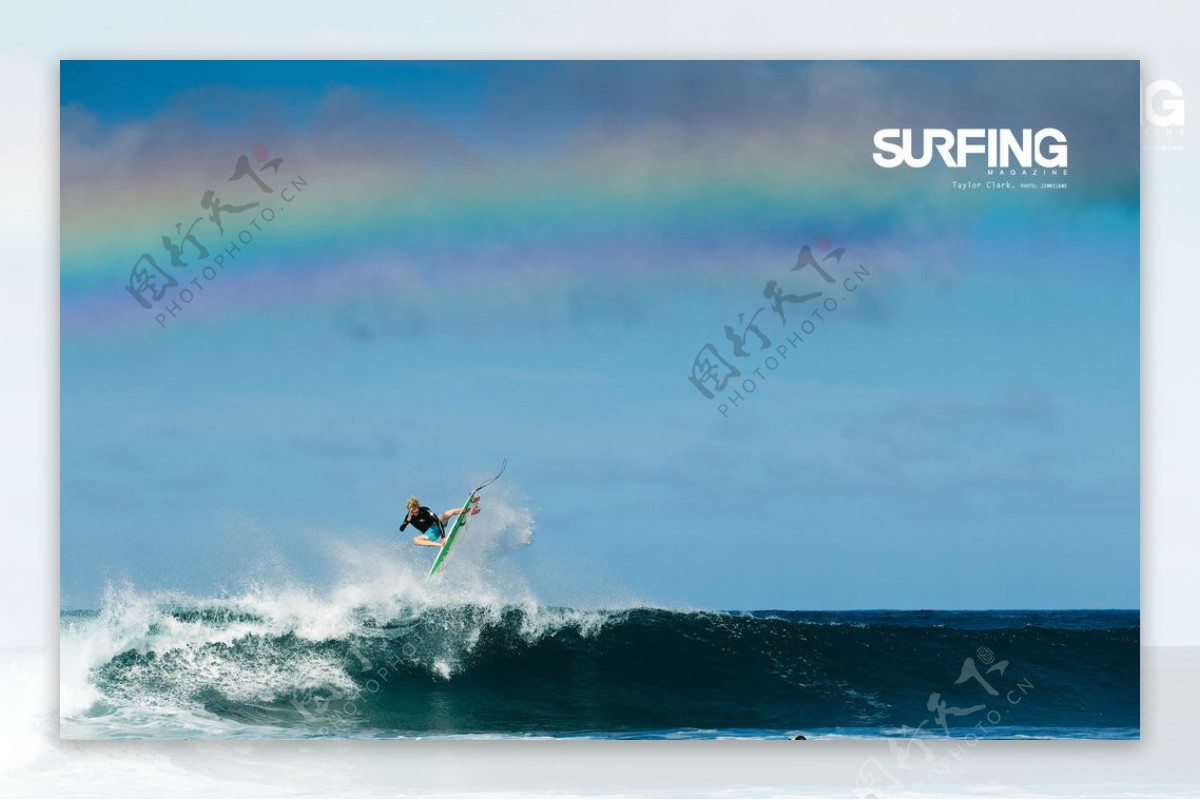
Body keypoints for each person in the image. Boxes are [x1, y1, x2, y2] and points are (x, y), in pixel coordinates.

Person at [400, 496, 477, 548]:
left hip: (437, 525)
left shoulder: (425, 510)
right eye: (411, 511)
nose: (413, 512)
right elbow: (401, 529)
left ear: (417, 506)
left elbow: (437, 521)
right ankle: (441, 545)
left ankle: (467, 510)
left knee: (447, 513)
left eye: (414, 509)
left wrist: (443, 537)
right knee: (415, 540)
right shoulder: (409, 516)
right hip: (429, 534)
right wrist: (407, 521)